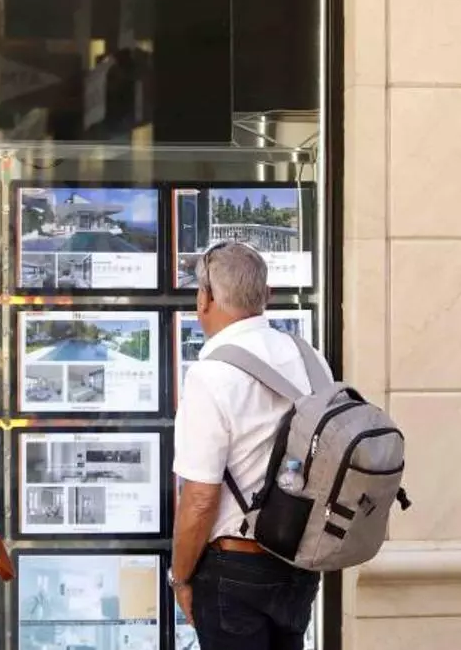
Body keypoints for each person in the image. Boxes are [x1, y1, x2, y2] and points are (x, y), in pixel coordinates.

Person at [169, 242, 328, 650]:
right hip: (299, 565)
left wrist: (180, 578)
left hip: (235, 567)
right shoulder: (310, 358)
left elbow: (200, 499)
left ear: (204, 298)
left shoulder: (210, 375)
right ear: (266, 295)